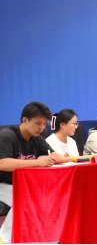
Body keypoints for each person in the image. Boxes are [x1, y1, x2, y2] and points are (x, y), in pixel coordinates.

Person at [0, 102, 63, 244]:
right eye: (38, 123)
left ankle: (46, 239)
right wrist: (36, 162)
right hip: (2, 184)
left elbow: (54, 155)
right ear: (24, 120)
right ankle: (3, 240)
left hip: (22, 185)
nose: (41, 128)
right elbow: (3, 163)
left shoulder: (37, 138)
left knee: (49, 197)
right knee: (25, 198)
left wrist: (53, 157)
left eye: (44, 124)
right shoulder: (7, 136)